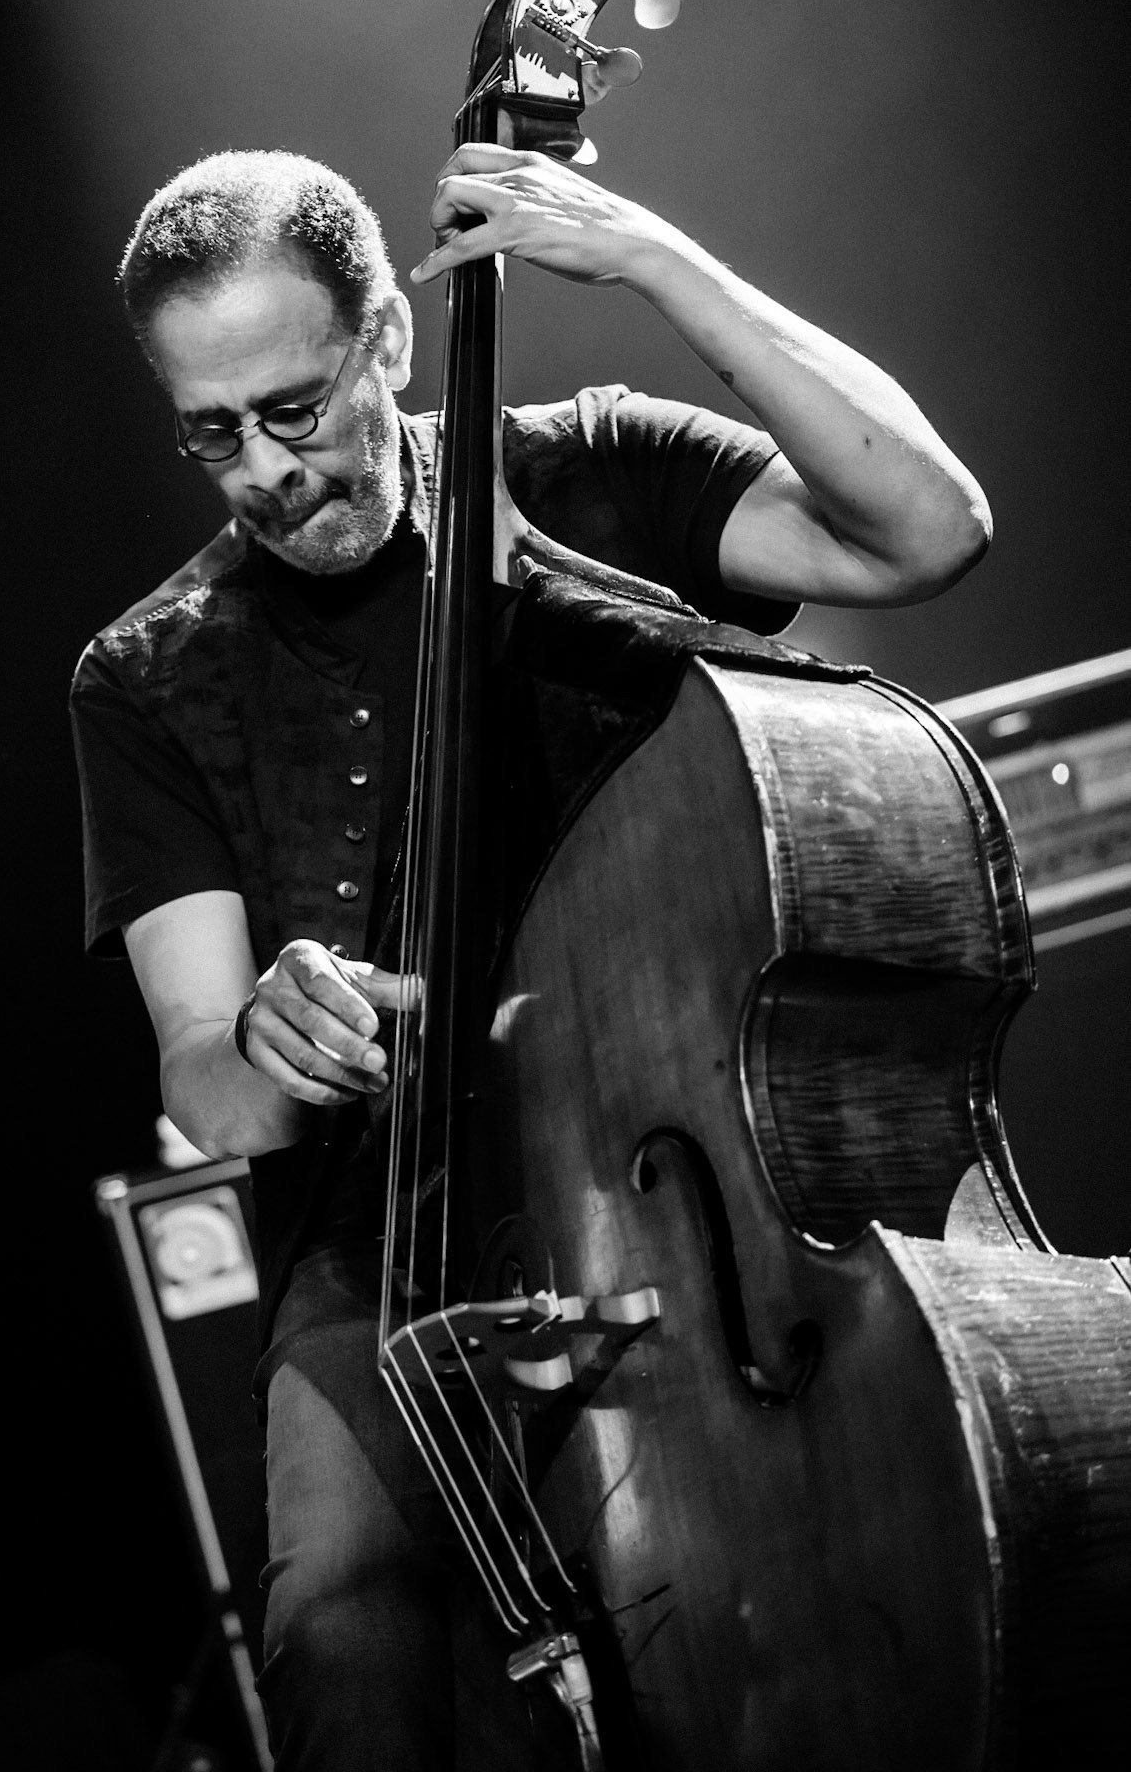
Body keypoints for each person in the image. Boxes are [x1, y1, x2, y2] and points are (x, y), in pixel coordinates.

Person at [70, 144, 990, 1769]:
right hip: (380, 1257)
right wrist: (265, 1042)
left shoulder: (582, 480)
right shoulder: (148, 679)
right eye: (213, 435)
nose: (266, 471)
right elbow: (207, 1092)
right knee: (339, 1635)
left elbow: (923, 529)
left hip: (707, 1207)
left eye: (295, 407)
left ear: (388, 342)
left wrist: (649, 257)